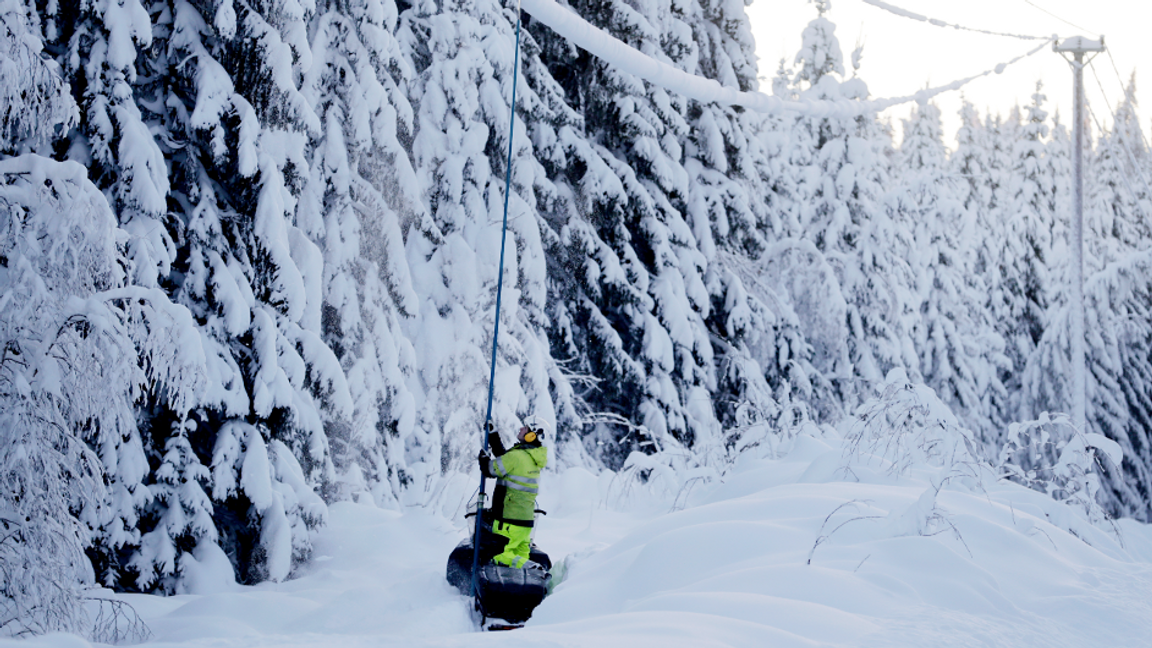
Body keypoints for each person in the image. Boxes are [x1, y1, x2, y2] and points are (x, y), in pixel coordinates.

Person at [477, 415, 550, 569]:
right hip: (525, 523)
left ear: (531, 436)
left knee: (499, 556)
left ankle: (534, 568)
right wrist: (493, 436)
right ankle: (530, 577)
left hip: (508, 521)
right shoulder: (531, 457)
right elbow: (505, 458)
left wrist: (483, 459)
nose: (520, 428)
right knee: (517, 560)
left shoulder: (517, 456)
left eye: (525, 428)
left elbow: (490, 469)